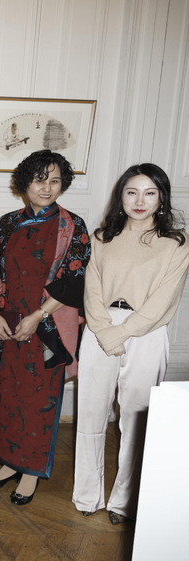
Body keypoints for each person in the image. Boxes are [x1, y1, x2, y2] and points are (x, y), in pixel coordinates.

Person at [73, 164, 189, 524]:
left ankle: (124, 501)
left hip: (145, 332)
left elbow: (164, 300)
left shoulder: (177, 242)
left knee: (136, 418)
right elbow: (91, 289)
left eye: (149, 192)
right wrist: (105, 329)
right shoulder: (102, 237)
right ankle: (87, 495)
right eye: (132, 192)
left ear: (161, 198)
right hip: (100, 327)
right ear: (120, 196)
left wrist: (122, 333)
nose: (140, 200)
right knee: (91, 413)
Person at [0, 149, 90, 505]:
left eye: (55, 180)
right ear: (25, 182)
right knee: (7, 394)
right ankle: (9, 463)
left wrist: (37, 316)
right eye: (40, 179)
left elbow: (74, 279)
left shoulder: (72, 226)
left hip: (47, 327)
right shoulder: (7, 223)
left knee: (39, 400)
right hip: (7, 324)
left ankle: (31, 471)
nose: (47, 187)